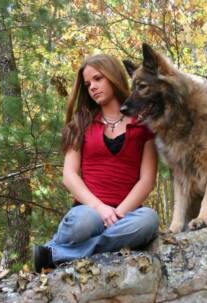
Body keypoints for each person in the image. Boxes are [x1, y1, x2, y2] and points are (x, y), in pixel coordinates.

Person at [33, 54, 159, 272]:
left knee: (149, 219)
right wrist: (100, 208)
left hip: (126, 217)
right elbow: (69, 176)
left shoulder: (144, 125)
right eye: (88, 84)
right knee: (86, 221)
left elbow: (147, 180)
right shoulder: (81, 123)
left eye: (98, 79)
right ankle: (104, 244)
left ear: (113, 76)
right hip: (88, 211)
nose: (92, 87)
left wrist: (118, 215)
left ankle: (56, 254)